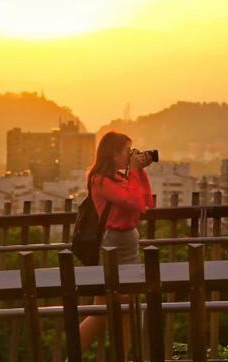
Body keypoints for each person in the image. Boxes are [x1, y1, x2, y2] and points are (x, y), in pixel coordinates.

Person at [78, 130, 154, 358]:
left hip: (129, 243)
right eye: (127, 151)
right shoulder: (99, 180)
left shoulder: (122, 177)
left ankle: (122, 356)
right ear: (113, 153)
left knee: (127, 311)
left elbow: (145, 202)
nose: (130, 155)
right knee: (101, 311)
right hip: (112, 245)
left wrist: (138, 172)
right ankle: (71, 354)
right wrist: (135, 171)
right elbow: (131, 201)